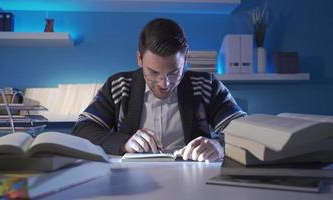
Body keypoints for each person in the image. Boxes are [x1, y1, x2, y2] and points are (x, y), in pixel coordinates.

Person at [72, 18, 246, 162]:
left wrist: (219, 145)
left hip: (195, 180)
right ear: (139, 59)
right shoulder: (118, 85)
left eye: (174, 72)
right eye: (153, 72)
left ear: (186, 59)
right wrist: (124, 143)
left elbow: (247, 132)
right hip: (130, 182)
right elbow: (82, 130)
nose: (164, 83)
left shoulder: (206, 85)